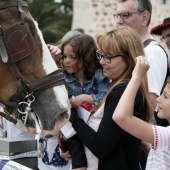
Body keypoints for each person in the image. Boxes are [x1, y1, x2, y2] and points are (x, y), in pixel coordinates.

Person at [68, 26, 152, 170]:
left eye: (108, 57)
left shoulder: (122, 92)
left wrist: (72, 117)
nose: (101, 62)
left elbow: (100, 146)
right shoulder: (122, 89)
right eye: (101, 55)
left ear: (129, 58)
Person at [58, 33, 110, 170]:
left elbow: (106, 98)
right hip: (73, 129)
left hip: (95, 129)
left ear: (86, 57)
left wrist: (86, 98)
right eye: (64, 57)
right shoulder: (63, 78)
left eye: (72, 57)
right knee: (77, 156)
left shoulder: (98, 75)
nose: (67, 61)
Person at [113, 56, 170, 170]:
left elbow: (121, 117)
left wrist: (137, 76)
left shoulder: (167, 135)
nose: (159, 99)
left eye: (166, 96)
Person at [115, 0, 167, 119]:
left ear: (144, 17)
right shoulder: (140, 50)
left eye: (125, 15)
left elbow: (150, 102)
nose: (118, 21)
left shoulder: (151, 52)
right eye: (117, 15)